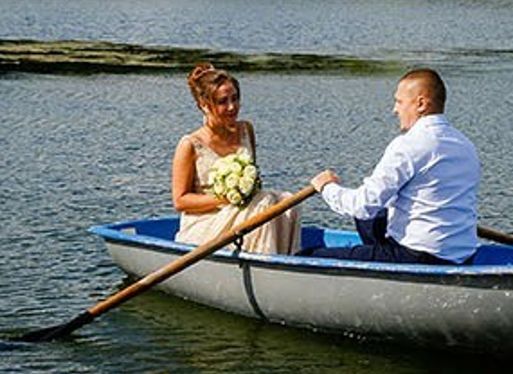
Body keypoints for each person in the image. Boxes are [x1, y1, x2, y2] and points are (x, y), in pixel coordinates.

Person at [309, 66, 479, 264]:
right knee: (370, 220)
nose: (394, 109)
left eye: (399, 102)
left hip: (419, 256)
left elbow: (363, 205)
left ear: (421, 104)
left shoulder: (409, 144)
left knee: (309, 255)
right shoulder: (465, 144)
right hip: (463, 256)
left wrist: (326, 187)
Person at [172, 61, 302, 256]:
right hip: (207, 221)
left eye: (235, 99)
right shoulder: (190, 144)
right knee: (264, 203)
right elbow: (180, 201)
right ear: (205, 105)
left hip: (244, 211)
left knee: (288, 202)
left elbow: (255, 180)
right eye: (223, 101)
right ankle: (264, 263)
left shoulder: (246, 130)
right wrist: (225, 198)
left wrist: (246, 191)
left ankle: (286, 260)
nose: (232, 107)